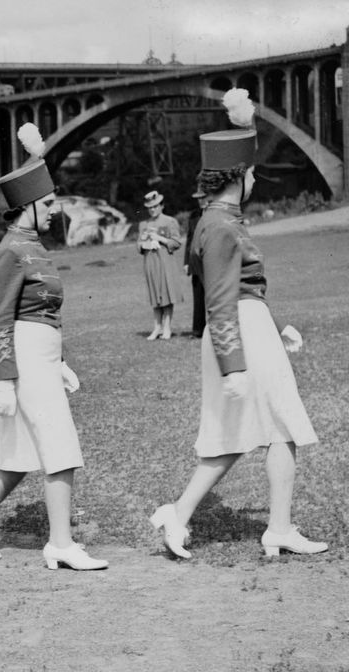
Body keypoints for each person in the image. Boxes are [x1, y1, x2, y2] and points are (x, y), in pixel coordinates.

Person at [150, 89, 324, 559]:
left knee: (239, 437)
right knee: (282, 426)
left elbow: (232, 291)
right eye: (250, 173)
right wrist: (235, 364)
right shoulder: (224, 226)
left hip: (248, 328)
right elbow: (224, 301)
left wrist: (274, 324)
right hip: (240, 331)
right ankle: (279, 528)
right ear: (239, 177)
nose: (253, 181)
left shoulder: (211, 220)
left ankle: (181, 514)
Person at [0, 124, 107, 570]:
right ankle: (60, 543)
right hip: (21, 358)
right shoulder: (11, 251)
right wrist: (4, 381)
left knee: (19, 454)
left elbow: (45, 312)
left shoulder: (35, 246)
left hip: (41, 356)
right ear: (27, 207)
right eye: (48, 203)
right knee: (60, 446)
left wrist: (59, 361)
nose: (55, 209)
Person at [138, 190, 186, 340]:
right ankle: (157, 327)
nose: (152, 209)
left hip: (165, 262)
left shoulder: (169, 221)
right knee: (154, 294)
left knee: (166, 294)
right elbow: (139, 246)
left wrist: (160, 239)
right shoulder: (143, 224)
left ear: (162, 206)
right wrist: (143, 242)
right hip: (150, 262)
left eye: (155, 206)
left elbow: (177, 242)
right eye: (150, 207)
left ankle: (167, 327)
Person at [183, 189, 211, 338]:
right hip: (196, 261)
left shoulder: (215, 213)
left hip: (212, 260)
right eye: (198, 198)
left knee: (214, 295)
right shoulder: (193, 216)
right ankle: (198, 330)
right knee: (198, 296)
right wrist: (186, 261)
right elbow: (189, 240)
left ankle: (216, 328)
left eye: (203, 197)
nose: (200, 200)